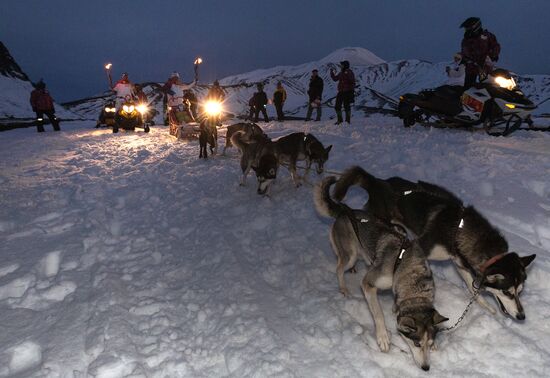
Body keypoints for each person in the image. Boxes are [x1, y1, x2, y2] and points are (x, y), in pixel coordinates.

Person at [460, 17, 500, 88]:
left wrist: (492, 55)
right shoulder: (465, 41)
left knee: (489, 88)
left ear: (474, 26)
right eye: (466, 28)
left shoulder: (487, 36)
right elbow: (464, 53)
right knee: (468, 90)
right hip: (471, 69)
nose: (466, 30)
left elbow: (495, 46)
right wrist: (463, 61)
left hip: (485, 68)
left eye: (467, 28)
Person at [330, 60, 355, 125]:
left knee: (346, 106)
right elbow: (335, 79)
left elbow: (352, 81)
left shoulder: (349, 72)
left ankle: (347, 121)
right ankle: (340, 120)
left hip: (347, 92)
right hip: (341, 91)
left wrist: (350, 90)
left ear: (345, 65)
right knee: (337, 106)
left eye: (342, 65)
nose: (341, 66)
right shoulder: (341, 73)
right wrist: (332, 73)